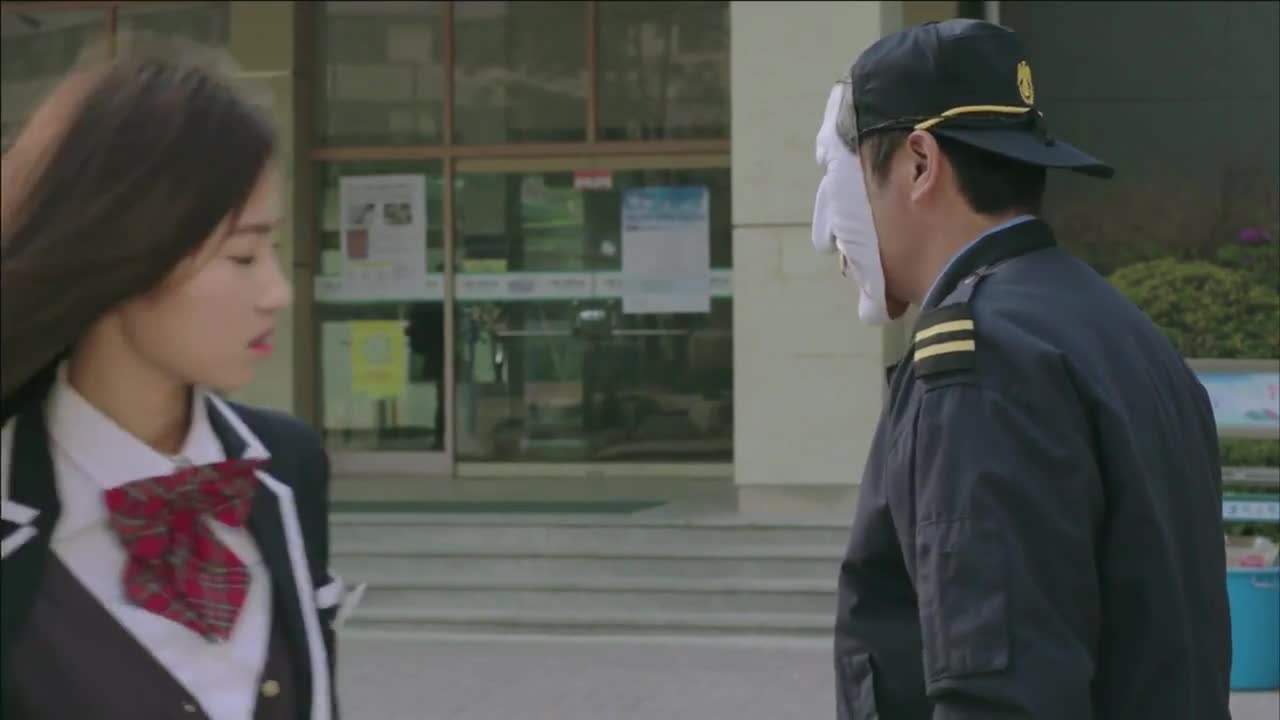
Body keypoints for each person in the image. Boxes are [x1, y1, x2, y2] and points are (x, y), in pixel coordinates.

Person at [813, 19, 1232, 720]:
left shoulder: (984, 358)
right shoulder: (1116, 328)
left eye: (841, 170)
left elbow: (999, 685)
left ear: (918, 163)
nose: (825, 227)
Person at [0, 38, 342, 720]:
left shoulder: (287, 467)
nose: (278, 292)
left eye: (274, 249)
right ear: (126, 255)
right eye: (243, 255)